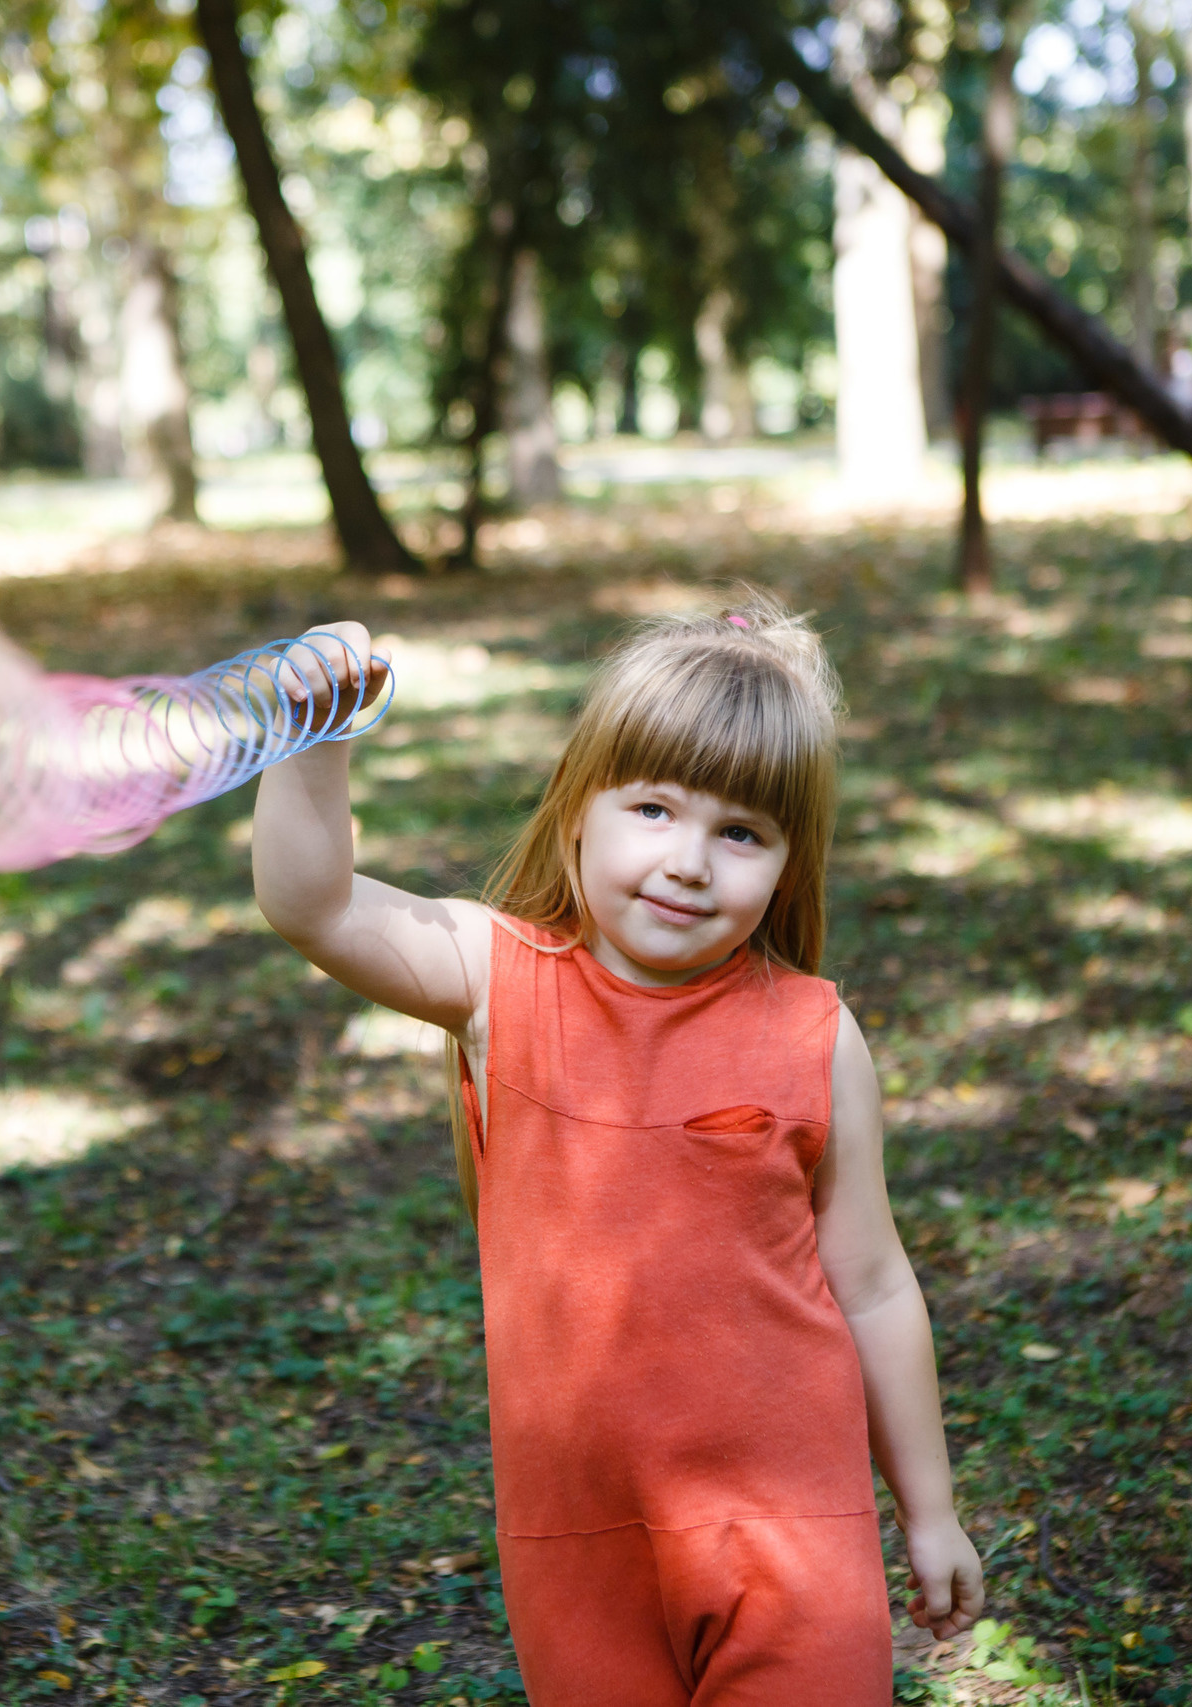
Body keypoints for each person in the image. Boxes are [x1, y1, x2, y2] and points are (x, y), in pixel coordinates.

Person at [249, 593, 984, 1706]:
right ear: (578, 812)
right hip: (575, 1537)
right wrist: (314, 743)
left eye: (740, 832)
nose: (689, 861)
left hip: (792, 1534)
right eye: (653, 808)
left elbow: (874, 1287)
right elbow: (314, 906)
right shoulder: (496, 978)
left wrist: (928, 1512)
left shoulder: (814, 1033)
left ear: (788, 862)